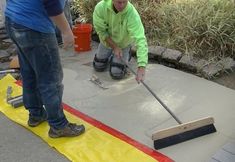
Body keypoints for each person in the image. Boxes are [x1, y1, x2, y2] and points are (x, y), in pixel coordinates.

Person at [4, 0, 85, 138]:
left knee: (29, 71)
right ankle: (58, 125)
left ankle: (36, 114)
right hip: (34, 27)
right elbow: (51, 3)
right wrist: (66, 31)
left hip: (13, 19)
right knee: (51, 79)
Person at [92, 0, 148, 82]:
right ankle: (112, 56)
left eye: (124, 2)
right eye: (119, 2)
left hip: (123, 45)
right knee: (98, 66)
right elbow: (101, 31)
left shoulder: (132, 14)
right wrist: (114, 47)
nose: (121, 5)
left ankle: (127, 53)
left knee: (116, 73)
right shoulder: (101, 7)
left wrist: (141, 66)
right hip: (106, 43)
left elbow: (140, 39)